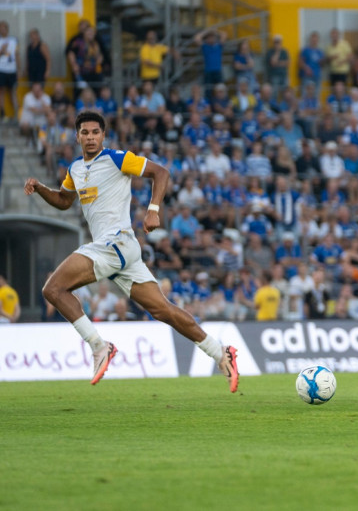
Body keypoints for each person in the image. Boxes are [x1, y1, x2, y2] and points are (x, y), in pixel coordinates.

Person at [23, 111, 239, 392]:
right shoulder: (75, 169)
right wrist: (40, 188)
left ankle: (99, 346)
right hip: (118, 250)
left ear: (103, 135)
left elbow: (160, 172)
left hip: (116, 243)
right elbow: (64, 201)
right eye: (85, 133)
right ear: (77, 137)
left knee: (53, 289)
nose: (90, 137)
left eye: (95, 132)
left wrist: (153, 210)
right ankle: (220, 353)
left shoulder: (116, 158)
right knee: (163, 310)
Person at [0, 20, 19, 120]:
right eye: (0, 27)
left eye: (4, 27)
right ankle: (2, 113)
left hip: (12, 70)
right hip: (1, 69)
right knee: (1, 92)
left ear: (7, 29)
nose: (2, 29)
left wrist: (19, 69)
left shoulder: (13, 40)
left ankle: (17, 114)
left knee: (13, 91)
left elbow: (16, 55)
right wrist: (2, 51)